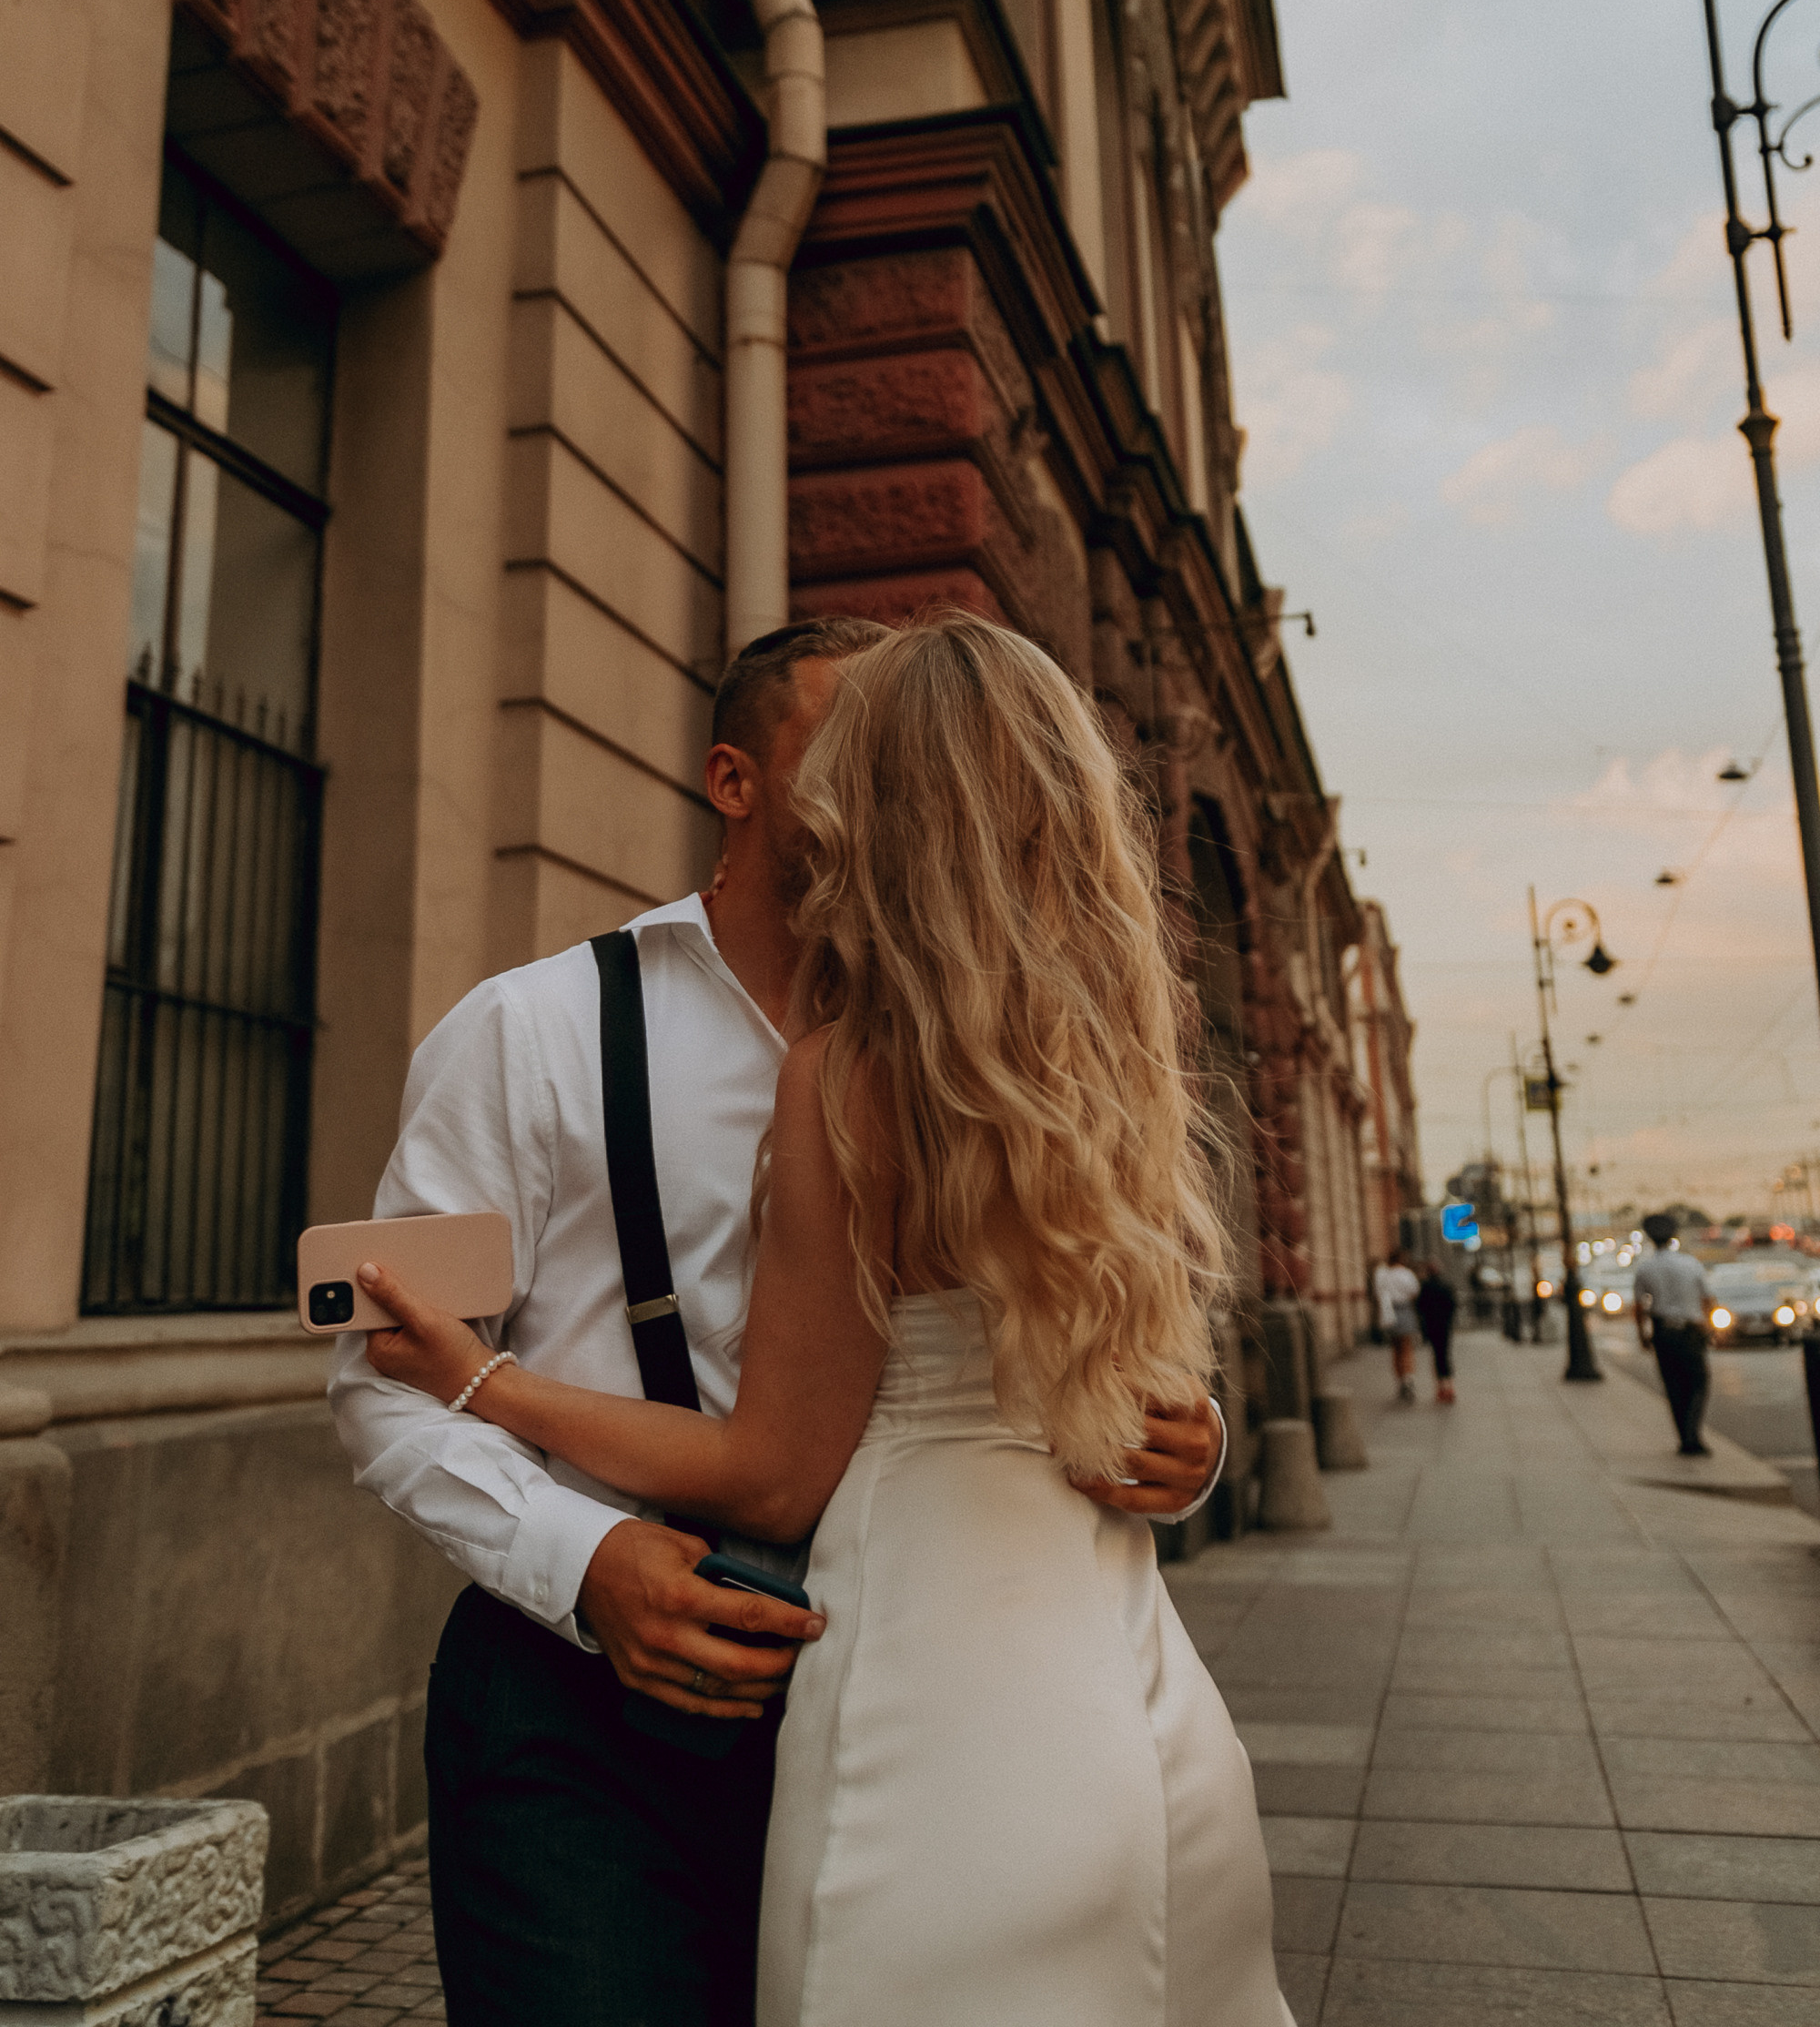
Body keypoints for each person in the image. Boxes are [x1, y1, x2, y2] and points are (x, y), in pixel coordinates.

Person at [361, 613, 1291, 2027]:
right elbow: (378, 1378)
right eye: (839, 741)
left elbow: (1068, 1349)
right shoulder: (530, 1031)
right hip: (589, 1714)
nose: (873, 769)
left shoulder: (987, 1047)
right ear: (737, 783)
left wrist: (1191, 1438)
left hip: (913, 1694)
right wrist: (585, 1557)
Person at [1633, 1212, 1714, 1456]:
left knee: (1673, 1385)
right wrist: (1709, 1327)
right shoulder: (1690, 1263)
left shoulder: (1645, 1268)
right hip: (1691, 1331)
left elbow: (1639, 1308)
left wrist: (1643, 1336)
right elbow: (1708, 1299)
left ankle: (1684, 1436)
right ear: (1673, 1237)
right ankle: (1692, 1435)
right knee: (1698, 1383)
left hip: (1663, 1332)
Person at [1373, 1250, 1421, 1401]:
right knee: (1407, 1347)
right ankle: (1408, 1378)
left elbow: (1378, 1294)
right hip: (1404, 1310)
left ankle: (1400, 1380)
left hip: (1390, 1312)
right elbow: (1415, 1291)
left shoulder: (1384, 1275)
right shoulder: (1406, 1274)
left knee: (1396, 1348)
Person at [1416, 1262, 1458, 1404]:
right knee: (1446, 1354)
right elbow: (1452, 1305)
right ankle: (1450, 1387)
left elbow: (1420, 1307)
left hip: (1431, 1326)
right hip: (1444, 1326)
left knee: (1436, 1356)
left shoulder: (1425, 1287)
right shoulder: (1446, 1286)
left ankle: (1440, 1388)